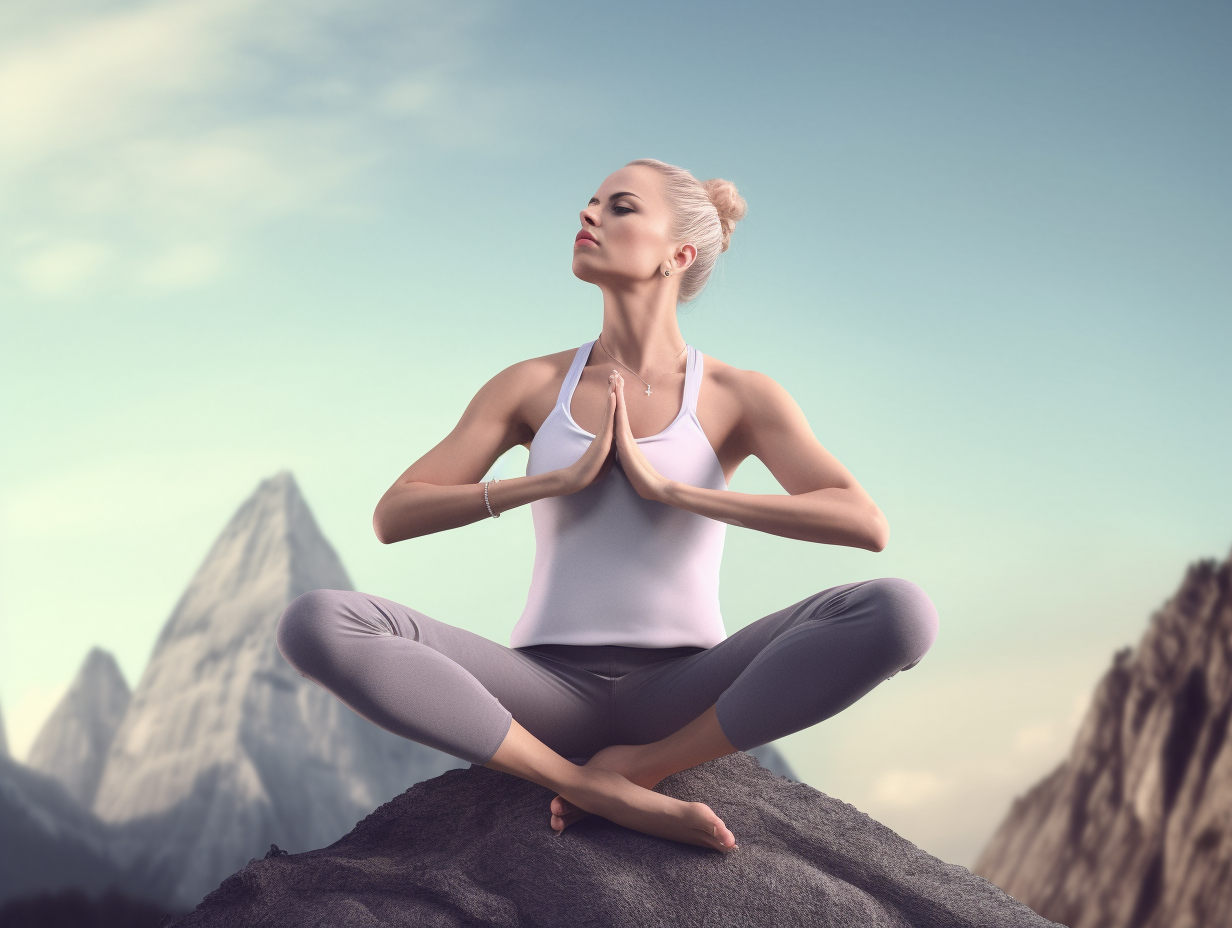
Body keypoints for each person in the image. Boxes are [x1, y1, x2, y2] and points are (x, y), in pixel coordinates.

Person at [276, 158, 939, 855]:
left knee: (900, 612)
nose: (588, 215)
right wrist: (546, 483)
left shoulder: (740, 395)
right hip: (542, 689)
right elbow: (395, 513)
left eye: (619, 207)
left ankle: (640, 768)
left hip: (684, 685)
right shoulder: (530, 385)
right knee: (319, 620)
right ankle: (583, 782)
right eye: (589, 203)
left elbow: (864, 523)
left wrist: (676, 491)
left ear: (678, 254)